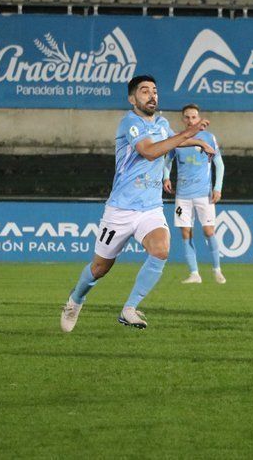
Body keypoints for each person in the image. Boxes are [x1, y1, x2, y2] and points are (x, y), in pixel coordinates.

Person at [60, 75, 213, 332]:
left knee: (161, 249)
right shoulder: (130, 122)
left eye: (154, 90)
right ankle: (75, 300)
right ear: (132, 98)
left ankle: (129, 309)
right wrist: (190, 132)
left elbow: (172, 139)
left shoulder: (162, 123)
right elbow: (150, 150)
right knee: (99, 268)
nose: (152, 95)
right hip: (120, 209)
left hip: (150, 208)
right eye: (144, 91)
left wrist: (197, 141)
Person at [163, 104, 226, 284]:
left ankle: (217, 270)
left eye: (194, 117)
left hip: (203, 194)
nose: (191, 120)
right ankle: (194, 273)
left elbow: (219, 164)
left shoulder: (208, 137)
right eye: (187, 117)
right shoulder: (177, 139)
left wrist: (217, 187)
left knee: (208, 231)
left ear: (198, 118)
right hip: (182, 195)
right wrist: (166, 177)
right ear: (183, 119)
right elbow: (167, 161)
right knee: (185, 233)